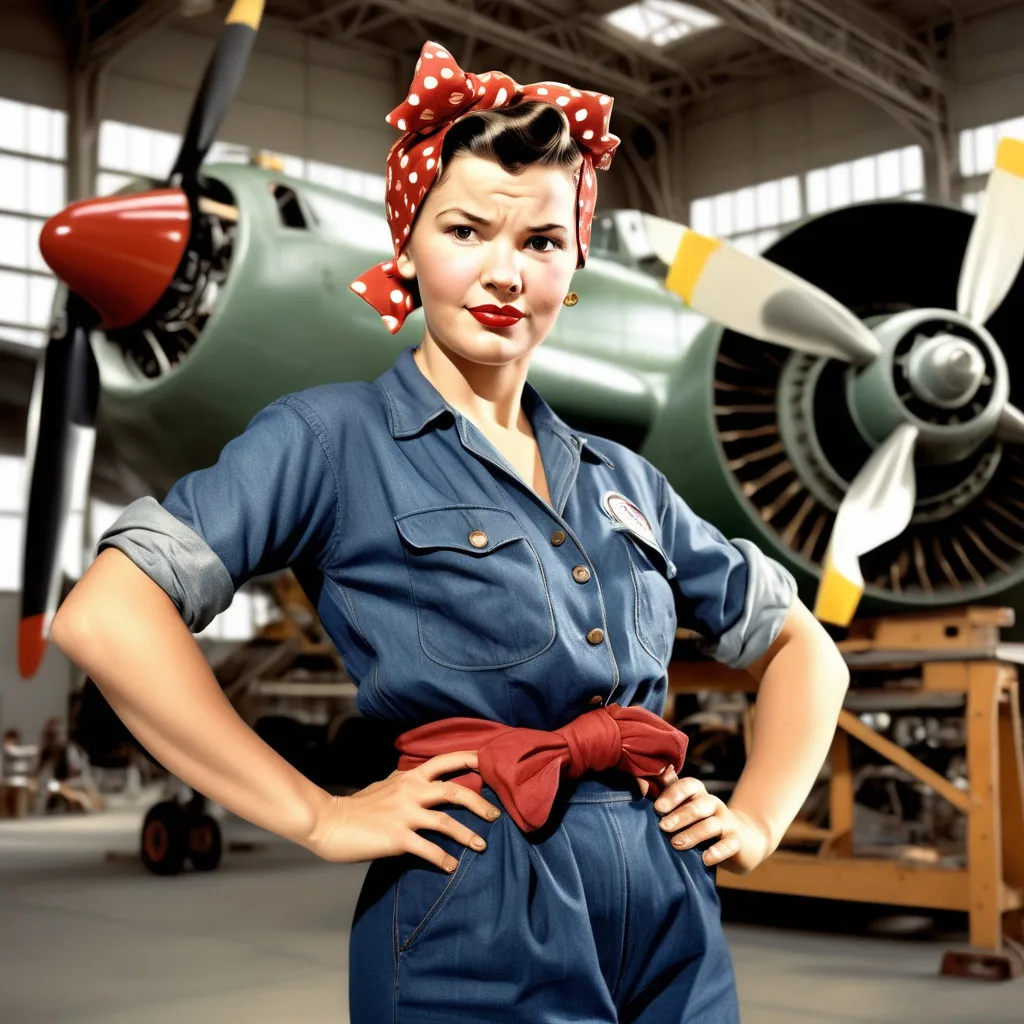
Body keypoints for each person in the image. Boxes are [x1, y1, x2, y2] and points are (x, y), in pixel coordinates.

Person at [50, 42, 850, 1022]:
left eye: (542, 242)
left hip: (671, 906)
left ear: (576, 264)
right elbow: (106, 616)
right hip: (474, 901)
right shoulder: (328, 437)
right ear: (406, 244)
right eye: (465, 230)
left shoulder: (624, 480)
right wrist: (318, 814)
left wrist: (760, 815)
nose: (504, 273)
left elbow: (799, 642)